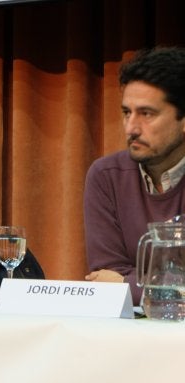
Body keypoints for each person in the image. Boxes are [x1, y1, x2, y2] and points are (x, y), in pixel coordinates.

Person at [84, 46, 185, 305]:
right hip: (135, 336)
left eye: (147, 114)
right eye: (127, 112)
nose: (131, 128)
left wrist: (125, 285)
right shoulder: (106, 176)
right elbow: (105, 279)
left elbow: (117, 284)